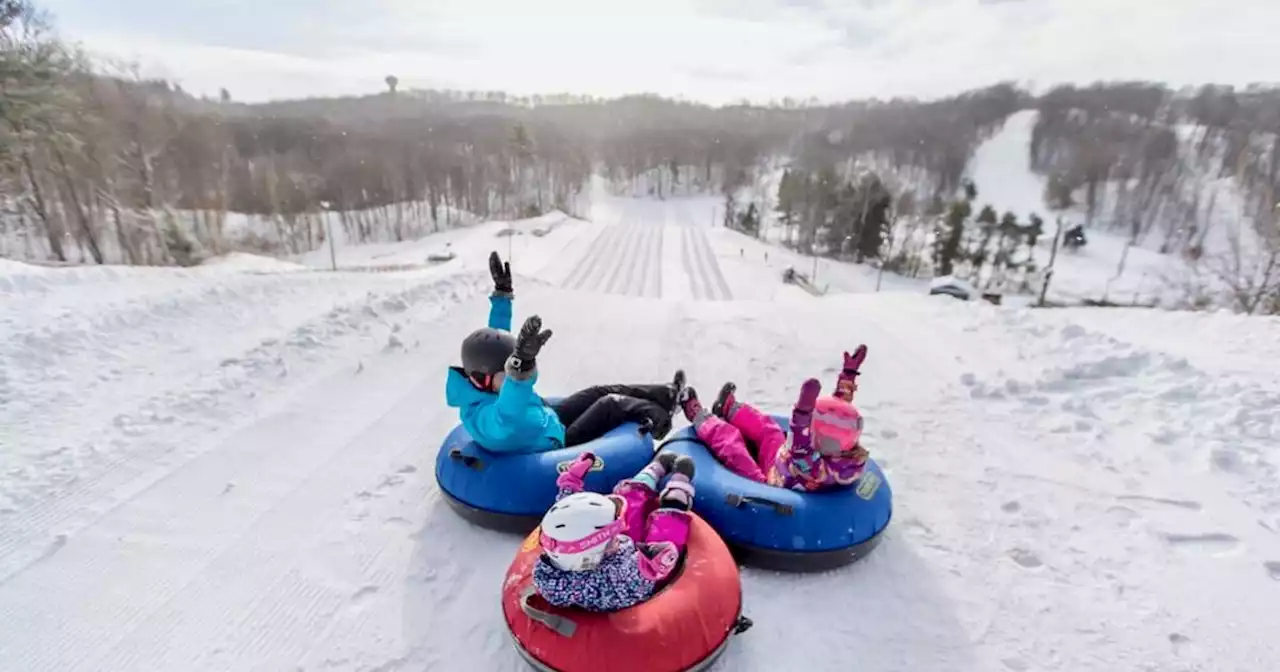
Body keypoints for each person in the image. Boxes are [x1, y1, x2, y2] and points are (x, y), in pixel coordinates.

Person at [445, 251, 686, 453]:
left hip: (545, 419)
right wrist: (520, 370)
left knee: (598, 392)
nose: (509, 373)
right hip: (555, 444)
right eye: (505, 373)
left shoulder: (484, 378)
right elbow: (506, 415)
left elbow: (498, 342)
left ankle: (668, 394)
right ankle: (661, 422)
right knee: (610, 405)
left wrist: (502, 296)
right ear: (481, 380)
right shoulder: (485, 419)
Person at [677, 346, 870, 492]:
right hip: (782, 463)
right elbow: (839, 409)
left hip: (770, 484)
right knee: (771, 430)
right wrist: (848, 376)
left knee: (733, 445)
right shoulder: (844, 447)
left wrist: (802, 412)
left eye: (814, 428)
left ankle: (702, 418)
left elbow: (800, 443)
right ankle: (730, 409)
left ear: (824, 442)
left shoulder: (815, 467)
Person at [533, 450, 696, 612]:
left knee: (628, 501)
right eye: (612, 538)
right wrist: (651, 565)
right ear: (589, 558)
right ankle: (676, 500)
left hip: (617, 552)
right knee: (667, 533)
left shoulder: (565, 550)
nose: (621, 531)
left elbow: (570, 515)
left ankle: (652, 473)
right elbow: (631, 583)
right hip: (636, 570)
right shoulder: (603, 587)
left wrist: (571, 483)